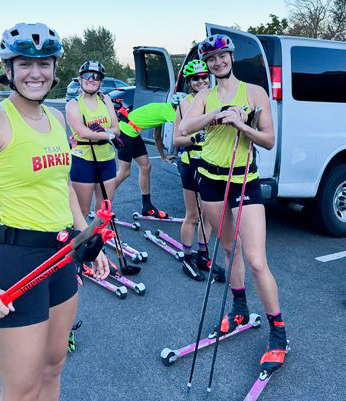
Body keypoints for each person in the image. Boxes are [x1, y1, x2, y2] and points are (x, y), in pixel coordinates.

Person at [0, 23, 108, 401]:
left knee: (53, 367)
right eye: (24, 64)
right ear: (8, 70)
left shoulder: (55, 120)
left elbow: (63, 185)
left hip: (61, 257)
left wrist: (87, 237)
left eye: (44, 64)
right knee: (21, 390)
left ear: (55, 69)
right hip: (17, 263)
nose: (35, 73)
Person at [179, 34, 288, 373]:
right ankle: (238, 309)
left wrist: (241, 123)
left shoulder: (254, 92)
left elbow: (269, 140)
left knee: (256, 259)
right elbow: (184, 127)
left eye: (221, 56)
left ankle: (279, 332)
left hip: (243, 180)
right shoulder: (204, 96)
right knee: (229, 250)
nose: (217, 63)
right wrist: (215, 114)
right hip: (209, 180)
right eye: (210, 59)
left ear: (230, 57)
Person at [172, 60, 215, 282]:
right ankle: (187, 258)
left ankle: (203, 255)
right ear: (189, 82)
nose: (201, 81)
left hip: (212, 162)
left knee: (209, 215)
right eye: (195, 78)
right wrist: (194, 138)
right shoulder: (184, 104)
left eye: (203, 76)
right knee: (193, 215)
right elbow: (176, 139)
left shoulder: (216, 99)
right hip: (191, 162)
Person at [66, 60, 120, 216]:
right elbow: (83, 132)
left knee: (104, 211)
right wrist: (108, 134)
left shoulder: (106, 100)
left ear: (101, 82)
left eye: (96, 77)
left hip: (107, 158)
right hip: (83, 161)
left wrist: (107, 133)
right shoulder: (73, 104)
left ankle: (99, 240)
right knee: (81, 212)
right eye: (87, 75)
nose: (91, 79)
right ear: (81, 80)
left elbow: (117, 129)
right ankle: (81, 240)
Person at [114, 101, 176, 218]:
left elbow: (157, 136)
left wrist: (163, 156)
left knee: (146, 166)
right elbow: (185, 129)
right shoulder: (171, 112)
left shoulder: (164, 108)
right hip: (124, 132)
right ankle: (103, 204)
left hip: (132, 132)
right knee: (124, 172)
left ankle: (147, 206)